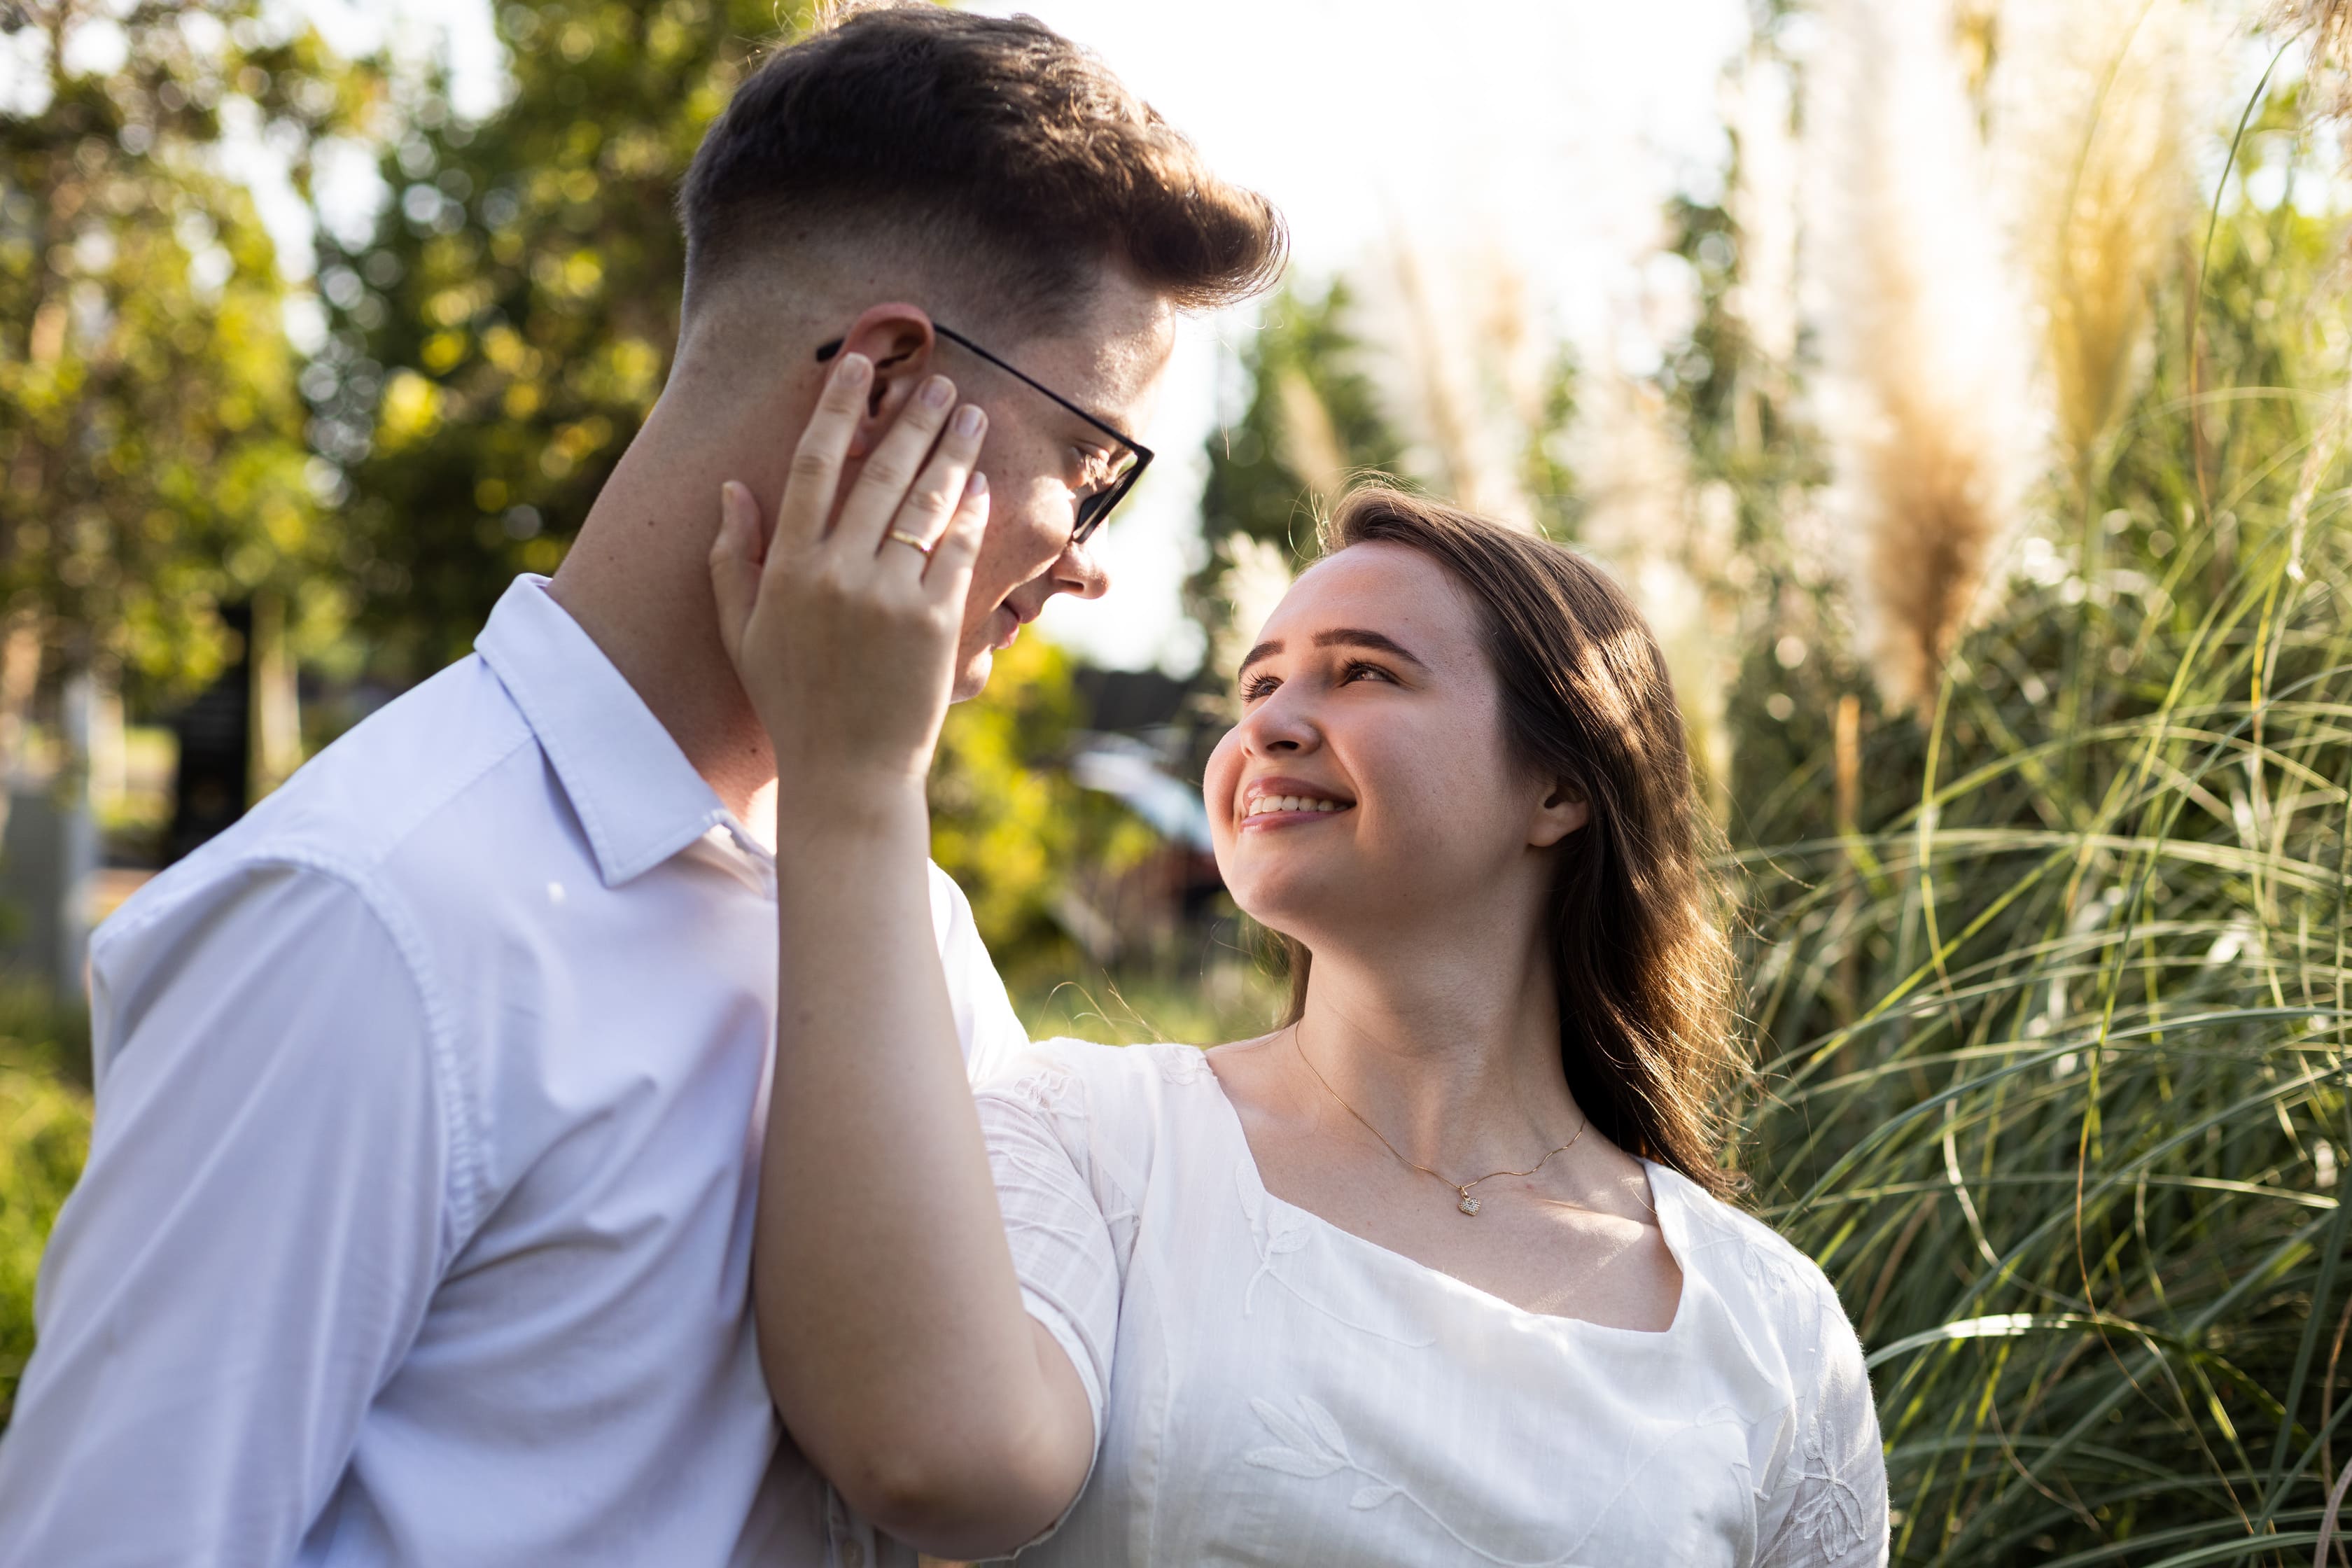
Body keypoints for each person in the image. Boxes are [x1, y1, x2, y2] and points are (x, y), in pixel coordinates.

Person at [0, 8, 1281, 1564]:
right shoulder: (370, 917)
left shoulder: (897, 917)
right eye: (1092, 468)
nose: (1088, 564)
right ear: (881, 385)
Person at [714, 454, 1891, 1562]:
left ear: (1560, 787)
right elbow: (937, 1465)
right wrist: (853, 779)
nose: (1268, 724)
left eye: (1365, 671)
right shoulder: (1090, 1139)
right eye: (1260, 684)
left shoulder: (1772, 1329)